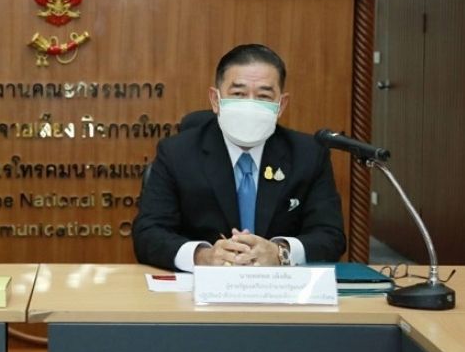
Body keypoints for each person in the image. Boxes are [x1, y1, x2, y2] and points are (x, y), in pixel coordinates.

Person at [132, 44, 346, 271]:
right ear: (215, 100)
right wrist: (203, 256)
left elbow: (330, 236)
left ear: (281, 105)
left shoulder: (308, 154)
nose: (250, 105)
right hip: (201, 288)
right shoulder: (177, 153)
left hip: (281, 288)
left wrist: (279, 252)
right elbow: (148, 233)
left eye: (263, 96)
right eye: (238, 94)